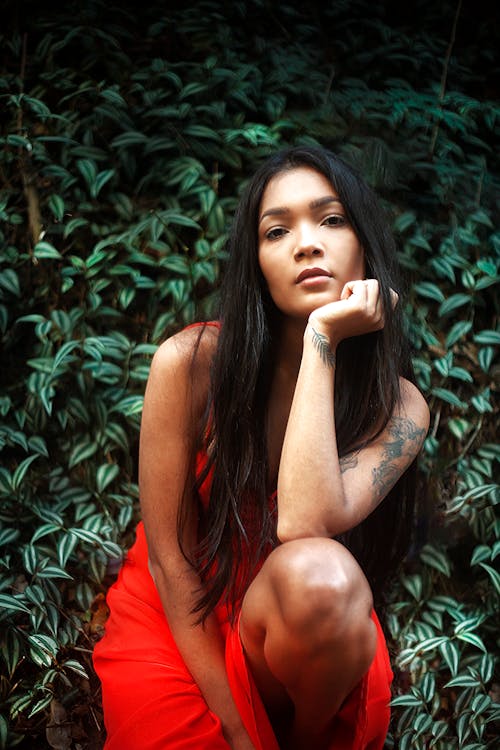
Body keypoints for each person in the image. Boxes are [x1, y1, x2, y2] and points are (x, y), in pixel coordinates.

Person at [93, 145, 430, 750]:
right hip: (184, 615)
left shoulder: (398, 408)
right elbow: (171, 562)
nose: (306, 244)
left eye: (331, 219)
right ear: (257, 262)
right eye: (277, 230)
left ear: (365, 247)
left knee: (321, 575)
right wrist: (239, 731)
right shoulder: (190, 366)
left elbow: (303, 522)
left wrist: (322, 337)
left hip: (307, 633)